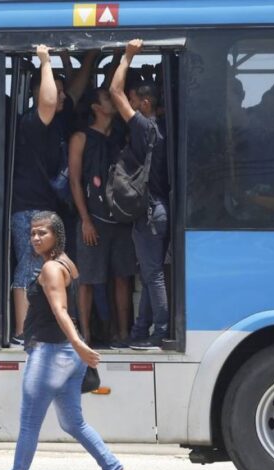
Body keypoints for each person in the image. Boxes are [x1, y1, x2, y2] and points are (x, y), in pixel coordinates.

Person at [0, 211, 139, 470]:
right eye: (33, 233)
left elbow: (60, 310)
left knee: (29, 423)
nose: (36, 238)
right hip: (66, 356)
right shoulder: (65, 263)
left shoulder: (51, 269)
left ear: (57, 235)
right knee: (73, 423)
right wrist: (78, 350)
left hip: (50, 354)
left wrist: (79, 345)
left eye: (43, 233)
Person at [10, 47, 95, 347]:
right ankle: (22, 333)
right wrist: (45, 60)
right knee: (32, 266)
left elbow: (74, 89)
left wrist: (91, 59)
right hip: (30, 210)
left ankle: (33, 329)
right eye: (55, 91)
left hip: (48, 209)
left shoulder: (59, 118)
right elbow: (48, 100)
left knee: (46, 267)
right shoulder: (34, 121)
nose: (61, 97)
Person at [109, 39, 170, 351]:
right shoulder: (159, 128)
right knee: (149, 275)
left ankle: (158, 332)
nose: (128, 107)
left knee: (153, 275)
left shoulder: (144, 127)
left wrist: (127, 57)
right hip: (156, 211)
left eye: (134, 102)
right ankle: (140, 332)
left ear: (145, 103)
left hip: (149, 213)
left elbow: (114, 91)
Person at [68, 88, 137, 347]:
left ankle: (122, 332)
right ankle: (84, 335)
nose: (113, 101)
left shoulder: (122, 135)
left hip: (121, 219)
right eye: (108, 98)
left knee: (123, 277)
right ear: (96, 107)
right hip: (92, 219)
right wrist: (85, 219)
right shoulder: (81, 137)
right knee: (86, 278)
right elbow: (75, 181)